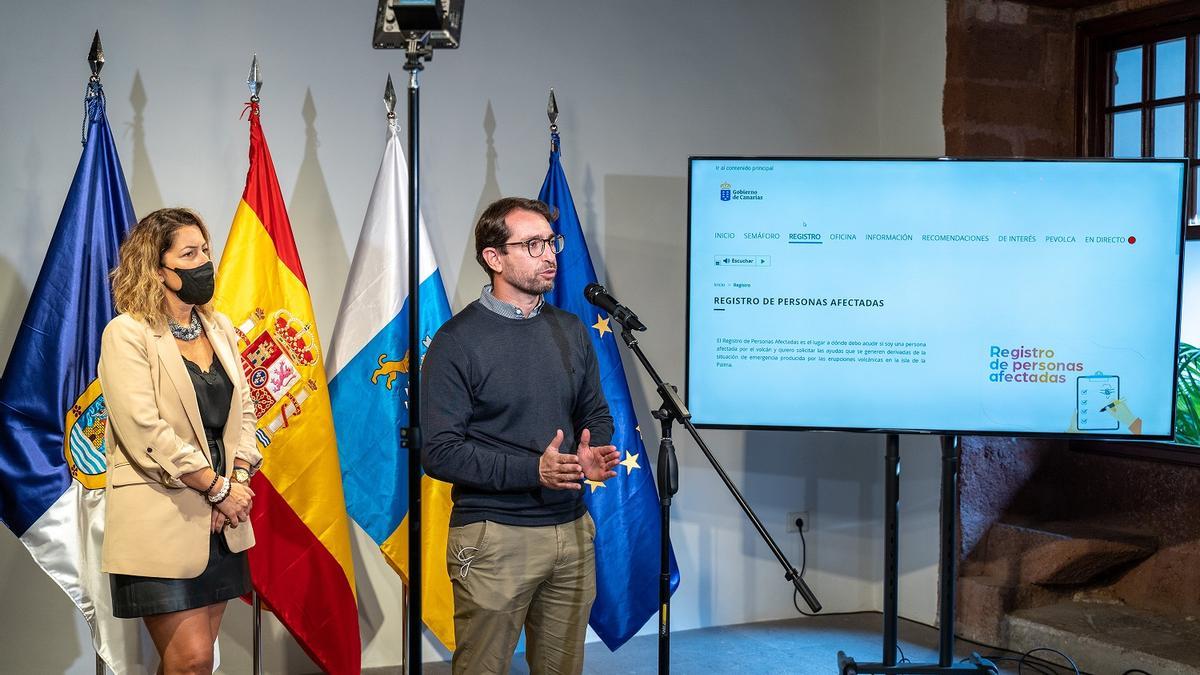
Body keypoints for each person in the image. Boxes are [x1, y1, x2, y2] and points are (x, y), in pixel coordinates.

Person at [421, 197, 621, 675]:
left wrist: (588, 452)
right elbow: (440, 453)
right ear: (494, 258)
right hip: (494, 537)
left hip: (571, 529)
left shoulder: (571, 330)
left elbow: (595, 411)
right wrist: (535, 470)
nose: (549, 254)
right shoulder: (456, 342)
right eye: (532, 244)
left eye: (551, 243)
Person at [98, 208, 261, 674]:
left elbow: (245, 414)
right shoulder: (127, 333)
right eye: (189, 254)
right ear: (156, 268)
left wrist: (237, 480)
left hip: (222, 521)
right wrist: (215, 487)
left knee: (197, 662)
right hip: (162, 517)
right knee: (189, 659)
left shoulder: (221, 329)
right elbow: (144, 430)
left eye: (205, 251)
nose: (203, 262)